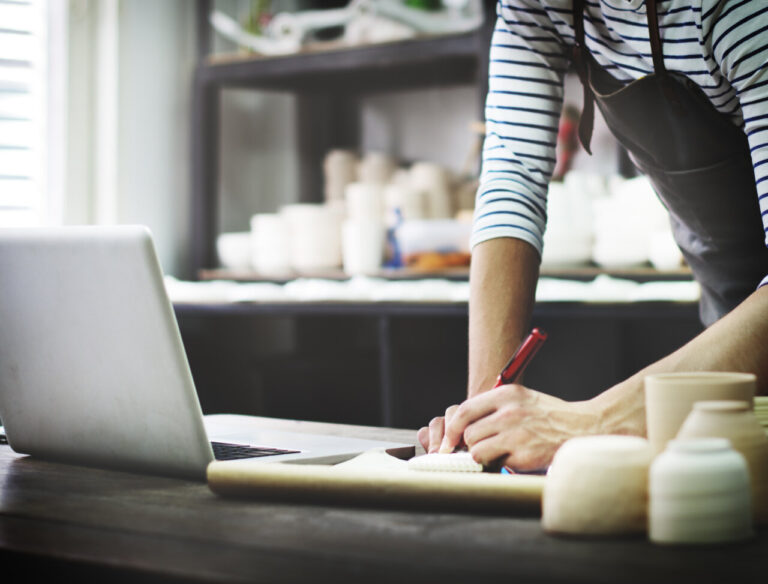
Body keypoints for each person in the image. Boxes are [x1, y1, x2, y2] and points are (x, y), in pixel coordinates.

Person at [418, 0, 768, 471]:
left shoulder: (734, 9)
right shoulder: (537, 4)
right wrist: (484, 418)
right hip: (732, 322)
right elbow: (512, 177)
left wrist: (590, 423)